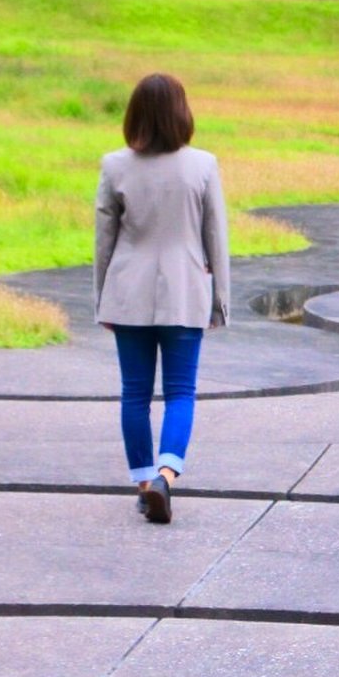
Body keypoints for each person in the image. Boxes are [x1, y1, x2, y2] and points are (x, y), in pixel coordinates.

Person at [94, 73, 231, 523]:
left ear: (134, 115)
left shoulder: (114, 166)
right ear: (181, 113)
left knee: (134, 393)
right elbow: (217, 238)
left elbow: (104, 240)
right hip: (186, 292)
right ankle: (166, 477)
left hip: (128, 291)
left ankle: (142, 481)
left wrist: (103, 301)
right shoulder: (203, 165)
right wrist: (220, 301)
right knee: (180, 392)